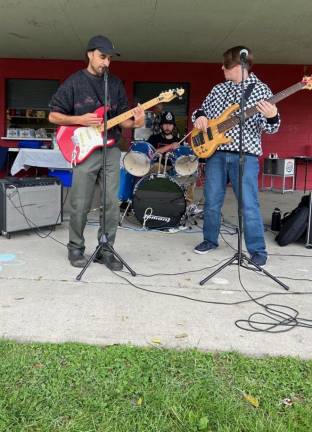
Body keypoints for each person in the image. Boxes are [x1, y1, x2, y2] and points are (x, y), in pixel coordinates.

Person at [49, 35, 144, 270]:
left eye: (109, 58)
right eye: (103, 57)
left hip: (111, 148)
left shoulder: (115, 84)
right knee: (80, 202)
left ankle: (106, 249)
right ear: (90, 54)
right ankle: (75, 247)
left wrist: (137, 122)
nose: (106, 63)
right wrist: (79, 119)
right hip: (85, 148)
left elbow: (124, 121)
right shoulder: (74, 82)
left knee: (112, 202)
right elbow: (53, 115)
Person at [192, 45, 280, 266]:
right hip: (216, 153)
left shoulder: (260, 90)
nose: (222, 68)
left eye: (226, 66)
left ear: (239, 66)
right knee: (212, 200)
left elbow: (270, 128)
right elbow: (200, 110)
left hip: (245, 155)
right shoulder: (218, 89)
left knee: (248, 204)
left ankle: (257, 250)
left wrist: (272, 116)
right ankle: (209, 240)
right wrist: (200, 117)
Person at [147, 111, 199, 209]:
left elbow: (184, 159)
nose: (167, 127)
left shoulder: (179, 141)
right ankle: (151, 198)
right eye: (165, 124)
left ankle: (187, 204)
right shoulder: (154, 138)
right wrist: (170, 146)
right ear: (161, 125)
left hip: (175, 169)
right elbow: (152, 153)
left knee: (191, 173)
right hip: (159, 167)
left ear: (173, 126)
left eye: (170, 124)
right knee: (156, 166)